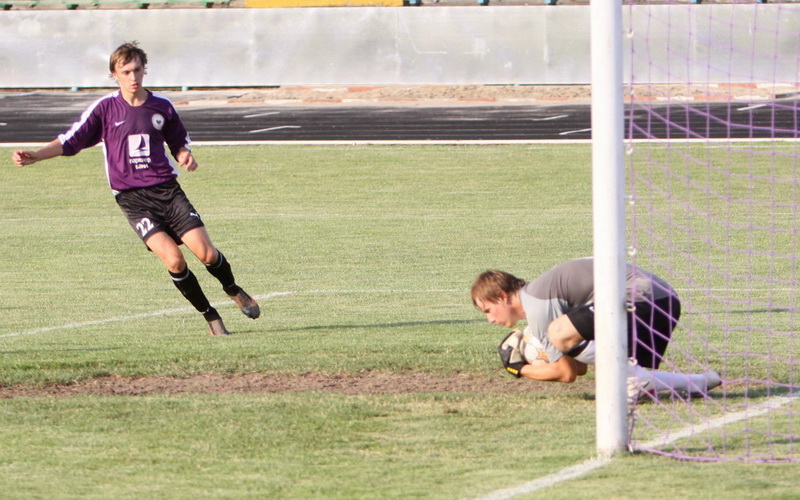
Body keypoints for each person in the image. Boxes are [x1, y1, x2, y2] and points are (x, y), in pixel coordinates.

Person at [11, 41, 259, 336]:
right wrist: (37, 155)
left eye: (137, 70)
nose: (133, 77)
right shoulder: (105, 109)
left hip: (168, 192)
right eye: (126, 71)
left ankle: (232, 288)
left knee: (206, 254)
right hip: (133, 200)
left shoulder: (161, 106)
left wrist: (184, 154)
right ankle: (210, 316)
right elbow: (70, 141)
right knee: (174, 260)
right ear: (114, 74)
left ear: (144, 70)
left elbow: (178, 140)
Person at [471, 258, 721, 401]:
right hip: (665, 301)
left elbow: (566, 374)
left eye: (488, 310)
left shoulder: (536, 304)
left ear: (502, 296)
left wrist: (520, 368)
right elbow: (579, 367)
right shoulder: (541, 294)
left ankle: (638, 378)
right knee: (625, 375)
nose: (489, 320)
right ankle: (697, 383)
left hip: (641, 299)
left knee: (558, 333)